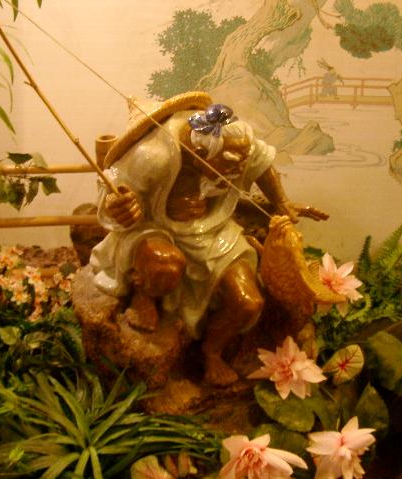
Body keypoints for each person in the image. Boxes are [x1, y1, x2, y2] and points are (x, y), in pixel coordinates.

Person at [90, 92, 319, 386]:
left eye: (241, 160)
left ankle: (212, 351)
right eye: (231, 163)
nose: (239, 168)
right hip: (155, 228)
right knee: (165, 265)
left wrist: (281, 203)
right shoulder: (154, 156)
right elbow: (112, 188)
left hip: (213, 231)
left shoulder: (231, 141)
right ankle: (143, 294)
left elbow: (260, 162)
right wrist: (119, 206)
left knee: (248, 302)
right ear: (200, 154)